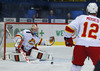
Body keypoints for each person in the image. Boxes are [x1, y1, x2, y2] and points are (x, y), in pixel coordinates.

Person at [64, 3, 100, 71]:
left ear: (87, 10)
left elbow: (69, 28)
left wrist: (68, 39)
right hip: (95, 45)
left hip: (80, 45)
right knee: (99, 65)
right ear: (97, 11)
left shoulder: (81, 18)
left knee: (76, 66)